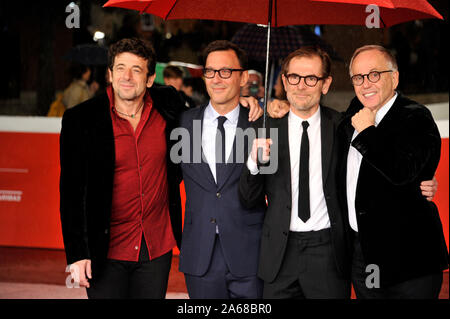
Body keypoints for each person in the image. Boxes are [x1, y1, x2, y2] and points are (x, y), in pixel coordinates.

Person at [59, 38, 185, 299]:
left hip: (155, 249)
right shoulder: (81, 119)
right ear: (110, 74)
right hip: (105, 251)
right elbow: (71, 192)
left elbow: (210, 115)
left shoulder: (169, 105)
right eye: (120, 68)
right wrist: (77, 254)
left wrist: (250, 104)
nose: (127, 77)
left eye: (136, 70)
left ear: (150, 79)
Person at [239, 46, 352, 299]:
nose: (301, 85)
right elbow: (247, 199)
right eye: (294, 77)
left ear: (325, 84)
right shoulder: (264, 127)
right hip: (279, 253)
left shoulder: (342, 127)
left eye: (311, 78)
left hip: (328, 253)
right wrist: (254, 163)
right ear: (284, 81)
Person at [338, 45, 448, 298]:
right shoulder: (350, 116)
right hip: (363, 255)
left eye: (374, 74)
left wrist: (367, 133)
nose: (366, 84)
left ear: (394, 77)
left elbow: (402, 171)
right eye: (358, 77)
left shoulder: (416, 117)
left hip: (410, 258)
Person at [178, 40, 265, 299]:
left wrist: (273, 104)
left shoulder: (261, 124)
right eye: (210, 71)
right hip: (200, 253)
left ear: (243, 78)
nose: (217, 79)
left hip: (250, 252)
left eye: (226, 71)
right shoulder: (183, 122)